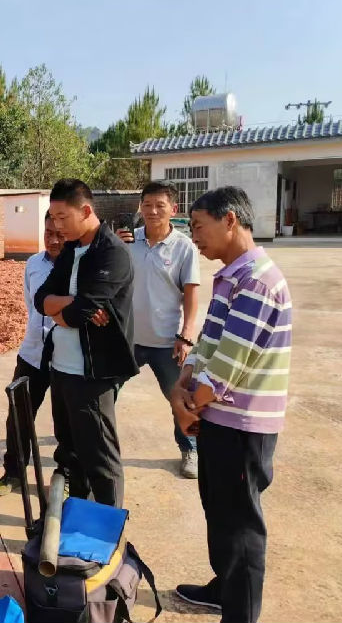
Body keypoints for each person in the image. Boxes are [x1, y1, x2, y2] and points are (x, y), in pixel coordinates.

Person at [171, 186, 292, 623]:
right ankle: (223, 588)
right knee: (218, 509)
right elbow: (208, 345)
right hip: (219, 418)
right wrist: (182, 387)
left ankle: (239, 613)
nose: (194, 237)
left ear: (230, 222)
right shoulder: (230, 276)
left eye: (198, 227)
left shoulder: (256, 280)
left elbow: (229, 364)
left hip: (243, 425)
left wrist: (189, 405)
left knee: (240, 524)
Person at [35, 179, 138, 508]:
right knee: (71, 453)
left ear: (86, 211)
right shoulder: (69, 249)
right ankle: (78, 519)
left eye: (62, 218)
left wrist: (67, 309)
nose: (56, 226)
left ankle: (106, 536)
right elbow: (41, 300)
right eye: (52, 218)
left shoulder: (113, 254)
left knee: (101, 460)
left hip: (92, 373)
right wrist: (71, 303)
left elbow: (78, 314)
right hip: (61, 368)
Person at [116, 182, 201, 478]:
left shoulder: (184, 247)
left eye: (159, 205)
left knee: (180, 398)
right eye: (147, 204)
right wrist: (112, 245)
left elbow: (191, 295)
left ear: (173, 210)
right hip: (127, 340)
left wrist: (187, 335)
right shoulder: (127, 241)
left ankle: (190, 448)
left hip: (168, 342)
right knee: (104, 390)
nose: (152, 211)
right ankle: (91, 437)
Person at [0, 212, 64, 497]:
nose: (53, 240)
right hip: (32, 354)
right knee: (18, 416)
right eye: (48, 233)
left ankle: (65, 477)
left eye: (60, 234)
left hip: (65, 359)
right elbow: (31, 305)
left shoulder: (79, 266)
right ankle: (13, 473)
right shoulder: (33, 264)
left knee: (65, 421)